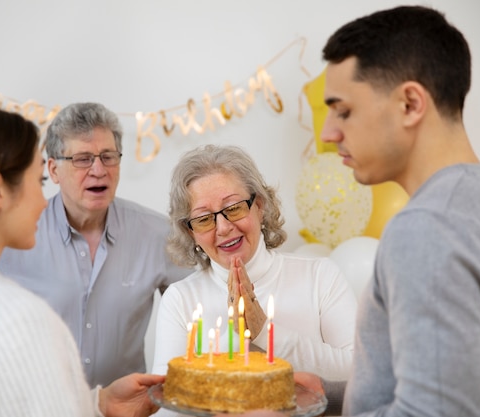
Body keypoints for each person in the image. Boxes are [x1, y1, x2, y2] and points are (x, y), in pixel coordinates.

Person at [224, 5, 480, 417]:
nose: (328, 133)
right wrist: (330, 393)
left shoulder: (427, 229)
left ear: (410, 104)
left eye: (344, 110)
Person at [0, 102, 162, 417]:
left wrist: (98, 403)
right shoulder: (19, 319)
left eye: (108, 156)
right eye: (38, 181)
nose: (43, 201)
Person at [0, 102, 192, 387]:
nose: (98, 169)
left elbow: (198, 309)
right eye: (82, 158)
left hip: (126, 410)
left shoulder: (157, 233)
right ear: (53, 169)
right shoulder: (17, 237)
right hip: (40, 407)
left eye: (108, 156)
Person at [151, 144, 357, 383]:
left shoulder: (320, 275)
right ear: (190, 232)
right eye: (204, 219)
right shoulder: (180, 300)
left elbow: (360, 371)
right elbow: (167, 403)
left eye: (234, 208)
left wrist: (263, 332)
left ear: (259, 206)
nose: (224, 227)